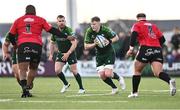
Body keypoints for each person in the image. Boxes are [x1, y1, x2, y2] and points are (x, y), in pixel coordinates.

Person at [7, 5, 74, 98]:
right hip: (36, 46)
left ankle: (24, 90)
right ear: (35, 12)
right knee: (33, 68)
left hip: (23, 45)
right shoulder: (40, 19)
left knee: (22, 70)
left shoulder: (18, 20)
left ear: (25, 11)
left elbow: (10, 35)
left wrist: (15, 45)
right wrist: (66, 36)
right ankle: (29, 86)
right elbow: (52, 30)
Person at [126, 13, 176, 98]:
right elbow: (162, 39)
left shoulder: (137, 25)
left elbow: (133, 35)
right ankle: (170, 80)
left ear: (137, 18)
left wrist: (130, 49)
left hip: (145, 48)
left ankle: (134, 93)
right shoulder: (153, 26)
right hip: (157, 49)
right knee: (158, 73)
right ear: (145, 18)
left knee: (137, 70)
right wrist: (155, 46)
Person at [84, 16, 126, 94]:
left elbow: (116, 38)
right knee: (102, 75)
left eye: (94, 24)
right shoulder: (89, 31)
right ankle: (114, 88)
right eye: (91, 24)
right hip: (99, 55)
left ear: (99, 23)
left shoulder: (105, 30)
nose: (93, 26)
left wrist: (109, 41)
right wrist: (95, 44)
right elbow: (86, 46)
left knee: (108, 74)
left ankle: (119, 78)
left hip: (109, 53)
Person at [48, 15, 85, 94]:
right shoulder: (54, 32)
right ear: (57, 22)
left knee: (74, 71)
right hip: (61, 53)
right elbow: (52, 43)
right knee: (57, 70)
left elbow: (74, 43)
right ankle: (66, 84)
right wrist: (51, 54)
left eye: (63, 21)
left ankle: (81, 88)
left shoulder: (69, 30)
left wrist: (68, 53)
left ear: (65, 22)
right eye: (60, 21)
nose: (61, 22)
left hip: (70, 53)